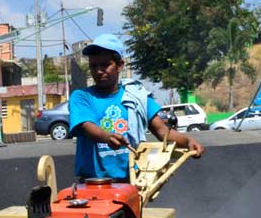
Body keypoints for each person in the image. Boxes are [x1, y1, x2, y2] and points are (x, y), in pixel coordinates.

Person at [70, 34, 203, 183]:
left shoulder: (137, 96)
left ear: (120, 65)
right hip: (93, 183)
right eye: (94, 66)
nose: (99, 71)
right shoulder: (81, 97)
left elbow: (163, 131)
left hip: (131, 182)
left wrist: (187, 141)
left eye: (105, 65)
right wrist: (107, 137)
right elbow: (88, 127)